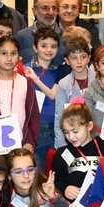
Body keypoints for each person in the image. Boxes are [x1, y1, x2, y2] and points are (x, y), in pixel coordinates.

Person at [23, 26, 62, 168]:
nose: (49, 50)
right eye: (44, 46)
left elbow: (54, 96)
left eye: (53, 46)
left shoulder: (60, 70)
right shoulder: (24, 69)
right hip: (34, 126)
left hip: (56, 125)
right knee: (36, 167)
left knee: (54, 167)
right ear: (35, 47)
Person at [54, 38, 95, 148]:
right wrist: (61, 148)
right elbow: (59, 118)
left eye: (83, 57)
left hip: (97, 138)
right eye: (74, 58)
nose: (79, 61)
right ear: (67, 61)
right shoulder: (63, 84)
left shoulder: (99, 79)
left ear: (89, 58)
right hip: (73, 141)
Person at [16, 0, 64, 65]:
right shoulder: (21, 37)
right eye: (45, 8)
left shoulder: (65, 37)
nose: (51, 12)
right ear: (34, 11)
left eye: (54, 8)